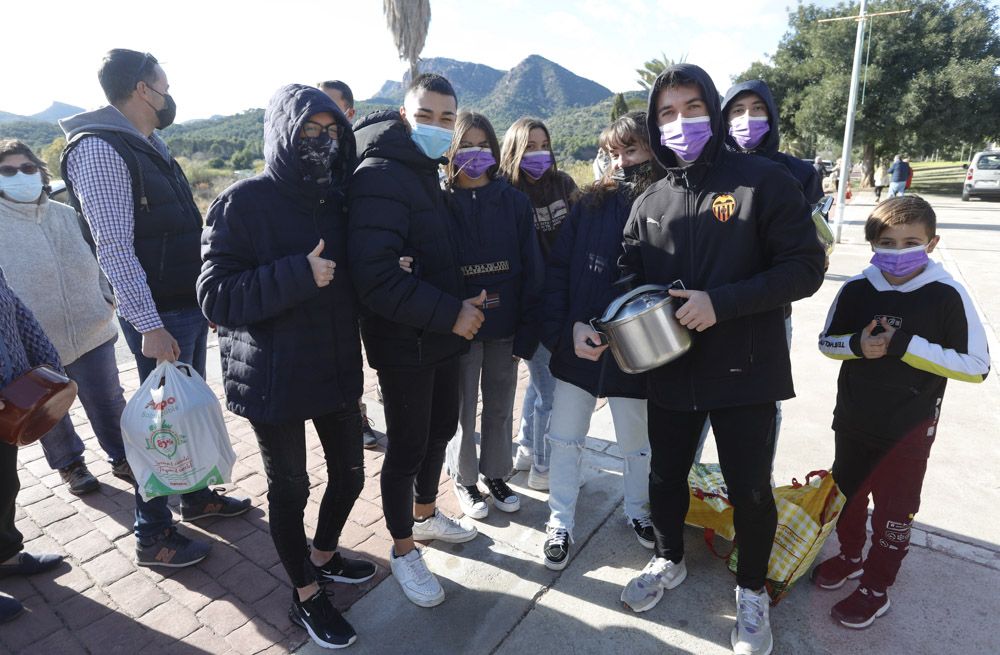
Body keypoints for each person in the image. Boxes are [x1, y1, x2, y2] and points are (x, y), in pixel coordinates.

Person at [618, 64, 825, 655]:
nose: (679, 122)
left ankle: (752, 591)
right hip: (671, 367)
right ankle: (668, 559)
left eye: (692, 108)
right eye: (666, 112)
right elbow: (629, 276)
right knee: (664, 474)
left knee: (750, 489)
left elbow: (804, 268)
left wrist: (723, 304)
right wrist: (599, 322)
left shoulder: (763, 182)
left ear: (712, 108)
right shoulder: (649, 199)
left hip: (747, 366)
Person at [199, 84, 374, 649]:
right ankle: (304, 594)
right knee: (291, 487)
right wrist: (298, 274)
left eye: (330, 133)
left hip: (336, 366)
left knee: (350, 474)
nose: (320, 143)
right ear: (281, 133)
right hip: (272, 375)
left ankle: (321, 556)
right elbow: (215, 297)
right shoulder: (241, 203)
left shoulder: (341, 198)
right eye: (307, 132)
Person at [59, 49, 250, 567]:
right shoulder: (99, 150)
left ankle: (196, 497)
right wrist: (148, 325)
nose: (169, 95)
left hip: (180, 304)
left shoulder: (145, 142)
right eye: (164, 85)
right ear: (144, 89)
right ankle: (153, 533)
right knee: (159, 425)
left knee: (182, 412)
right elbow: (115, 248)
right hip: (157, 314)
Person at [814, 195, 989, 629]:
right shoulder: (857, 287)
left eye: (911, 241)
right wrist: (857, 345)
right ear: (872, 243)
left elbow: (977, 367)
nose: (898, 253)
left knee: (894, 512)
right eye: (887, 243)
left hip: (908, 433)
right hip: (854, 421)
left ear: (932, 243)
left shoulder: (947, 295)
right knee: (848, 499)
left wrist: (907, 346)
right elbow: (826, 342)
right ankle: (851, 556)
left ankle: (877, 587)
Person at [349, 73, 480, 608]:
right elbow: (377, 276)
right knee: (405, 446)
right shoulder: (379, 174)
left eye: (447, 118)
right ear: (405, 116)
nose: (437, 126)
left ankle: (425, 515)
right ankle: (404, 550)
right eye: (426, 115)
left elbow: (425, 252)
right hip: (407, 340)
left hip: (442, 333)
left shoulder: (427, 172)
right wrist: (451, 312)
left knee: (440, 430)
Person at [540, 112, 659, 571]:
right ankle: (560, 520)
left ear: (654, 151)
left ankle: (639, 511)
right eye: (612, 153)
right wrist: (568, 328)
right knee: (566, 439)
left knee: (639, 442)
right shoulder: (587, 205)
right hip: (581, 341)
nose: (621, 162)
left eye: (631, 150)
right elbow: (559, 274)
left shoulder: (670, 204)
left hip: (640, 349)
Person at [0, 140, 135, 497]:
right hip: (33, 344)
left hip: (92, 330)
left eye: (28, 168)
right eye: (8, 170)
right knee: (48, 412)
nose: (20, 176)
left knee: (108, 400)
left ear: (41, 173)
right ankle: (70, 465)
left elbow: (101, 255)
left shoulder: (66, 214)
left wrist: (106, 295)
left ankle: (122, 456)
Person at [442, 112, 543, 520]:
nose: (475, 153)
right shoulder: (440, 201)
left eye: (483, 144)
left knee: (500, 404)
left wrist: (526, 330)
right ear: (451, 151)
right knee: (463, 409)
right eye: (466, 144)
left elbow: (531, 266)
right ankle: (465, 478)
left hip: (505, 326)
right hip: (459, 326)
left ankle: (496, 473)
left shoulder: (514, 201)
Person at [499, 117, 580, 491]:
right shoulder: (505, 192)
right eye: (529, 146)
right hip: (530, 308)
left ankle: (528, 451)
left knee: (539, 384)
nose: (538, 153)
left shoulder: (563, 184)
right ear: (514, 149)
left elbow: (584, 225)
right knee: (553, 392)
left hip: (562, 300)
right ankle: (545, 471)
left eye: (543, 144)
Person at [0, 269, 67, 622]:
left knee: (4, 483)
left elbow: (15, 308)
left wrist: (48, 363)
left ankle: (6, 554)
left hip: (8, 396)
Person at [723, 81, 822, 203]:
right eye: (738, 110)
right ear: (726, 121)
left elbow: (815, 220)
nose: (748, 117)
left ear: (770, 116)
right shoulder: (714, 172)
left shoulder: (802, 173)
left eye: (757, 108)